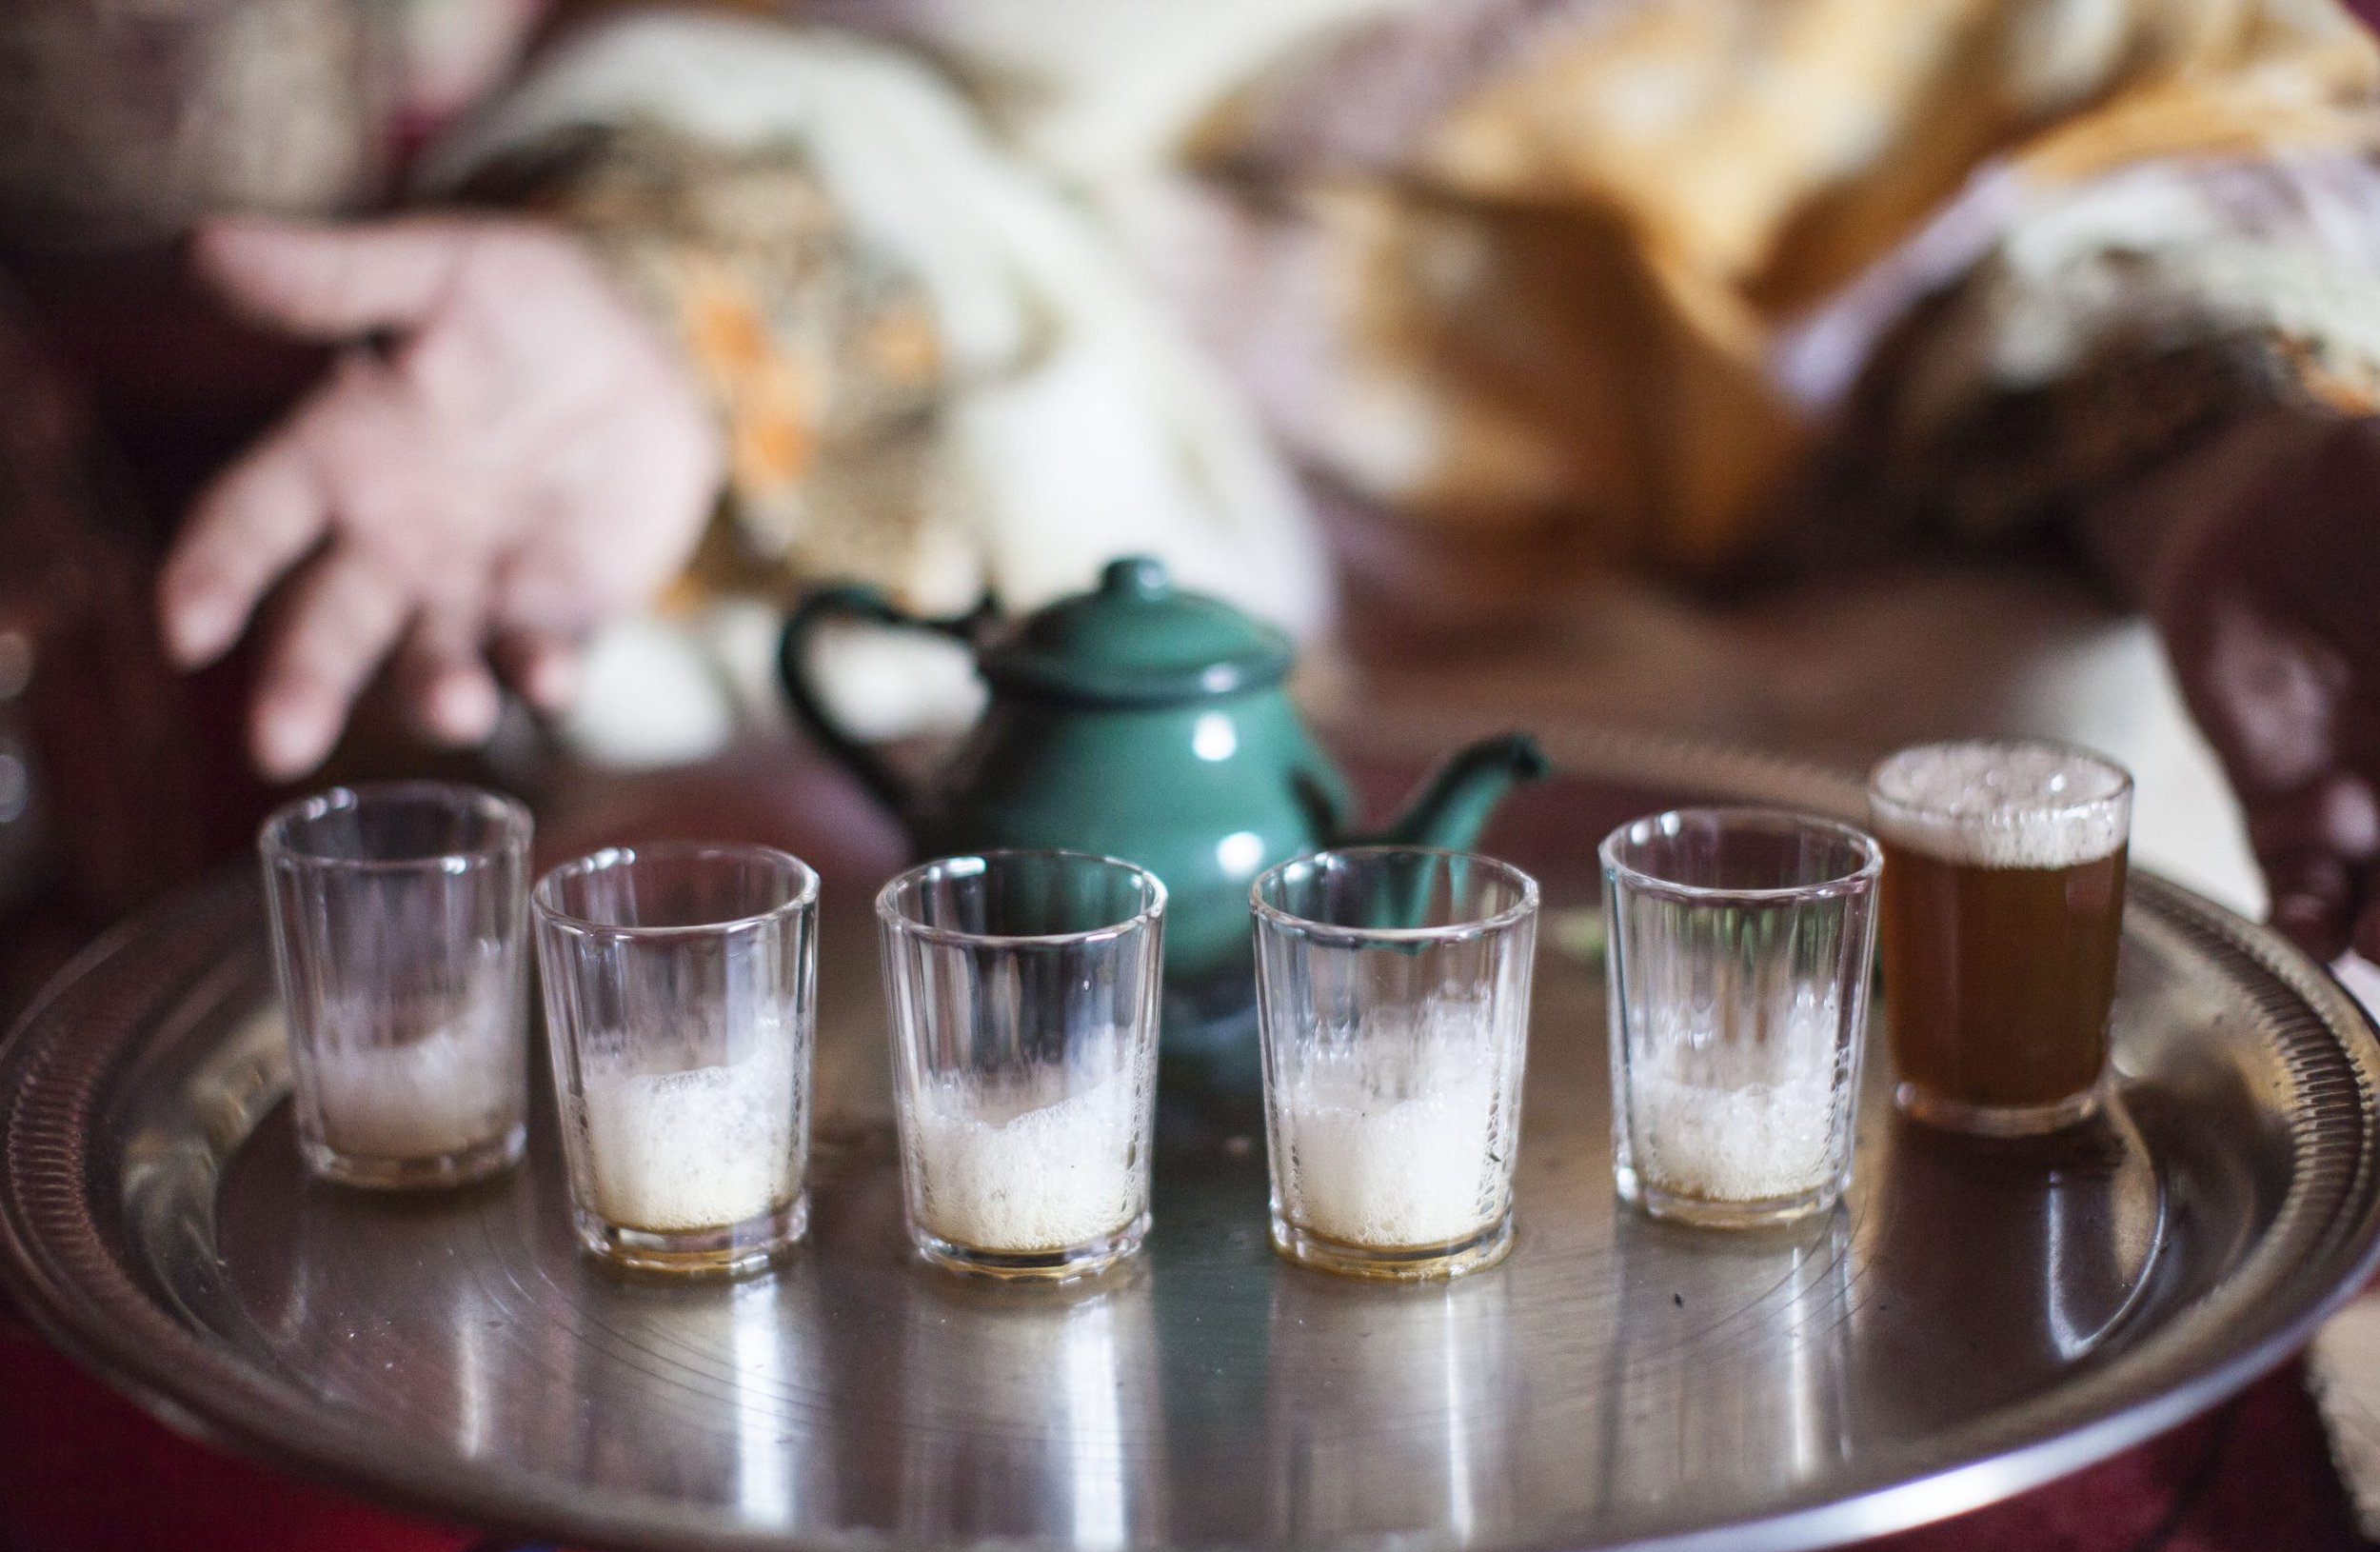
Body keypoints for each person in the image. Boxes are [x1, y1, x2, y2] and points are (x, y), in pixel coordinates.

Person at [97, 0, 2380, 965]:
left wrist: (2234, 477)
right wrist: (661, 318)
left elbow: (2109, 147)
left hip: (1872, 576)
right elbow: (853, 94)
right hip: (1103, 427)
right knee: (658, 766)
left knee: (2090, 808)